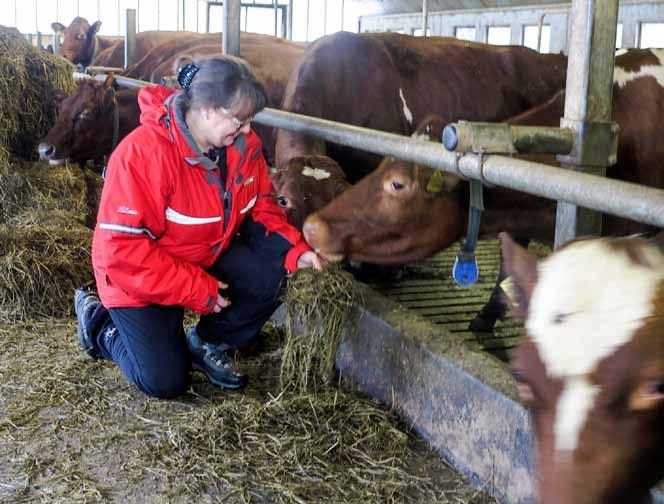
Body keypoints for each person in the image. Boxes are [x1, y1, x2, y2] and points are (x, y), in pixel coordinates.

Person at [74, 56, 323, 399]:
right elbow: (122, 251)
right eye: (240, 119)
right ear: (207, 109)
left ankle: (205, 341)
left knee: (274, 274)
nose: (248, 130)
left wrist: (296, 252)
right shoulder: (142, 154)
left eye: (250, 120)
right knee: (166, 382)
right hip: (137, 276)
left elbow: (261, 207)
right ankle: (100, 324)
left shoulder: (244, 147)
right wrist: (196, 289)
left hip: (203, 250)